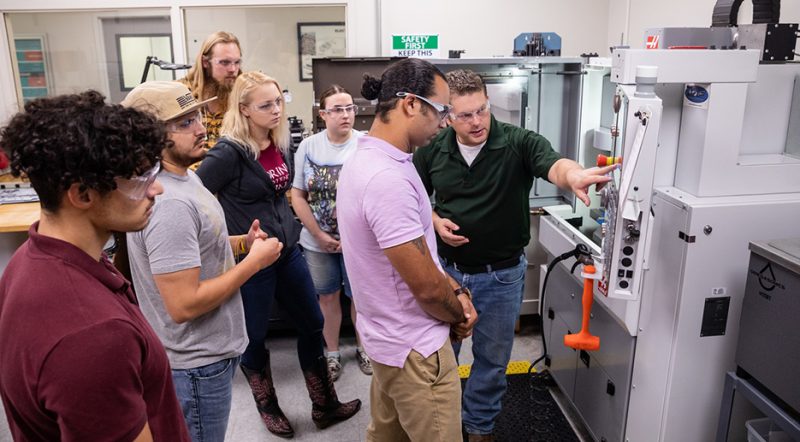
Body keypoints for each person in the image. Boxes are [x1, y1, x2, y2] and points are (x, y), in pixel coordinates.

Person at [413, 69, 616, 441]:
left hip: (501, 276)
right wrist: (435, 219)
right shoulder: (432, 150)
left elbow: (554, 164)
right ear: (447, 117)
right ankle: (443, 429)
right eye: (465, 115)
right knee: (442, 357)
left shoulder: (518, 142)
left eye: (482, 110)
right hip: (447, 273)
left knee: (491, 361)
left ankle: (479, 429)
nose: (477, 122)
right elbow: (411, 198)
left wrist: (573, 176)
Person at [0, 91, 190, 441]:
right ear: (83, 194)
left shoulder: (27, 260)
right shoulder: (93, 336)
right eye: (140, 179)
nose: (157, 189)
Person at [196, 71, 361, 438]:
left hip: (288, 251)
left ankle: (324, 404)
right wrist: (229, 241)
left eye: (278, 102)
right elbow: (196, 201)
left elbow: (284, 193)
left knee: (312, 324)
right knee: (254, 337)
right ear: (244, 110)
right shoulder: (229, 152)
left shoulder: (280, 142)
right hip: (253, 260)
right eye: (266, 105)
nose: (276, 110)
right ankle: (267, 406)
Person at [121, 81, 284, 442]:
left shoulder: (184, 178)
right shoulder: (170, 204)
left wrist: (241, 244)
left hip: (211, 353)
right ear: (150, 137)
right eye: (183, 123)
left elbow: (190, 249)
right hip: (196, 365)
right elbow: (184, 304)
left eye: (195, 115)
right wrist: (253, 263)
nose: (199, 127)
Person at [336, 58, 478, 441]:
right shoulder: (387, 179)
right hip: (417, 351)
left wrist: (458, 289)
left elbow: (417, 255)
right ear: (411, 104)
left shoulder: (367, 160)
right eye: (442, 110)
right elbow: (428, 288)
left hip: (387, 342)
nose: (446, 122)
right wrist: (458, 314)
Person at [291, 84, 372, 382]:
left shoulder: (366, 143)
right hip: (317, 241)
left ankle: (365, 348)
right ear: (323, 114)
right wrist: (319, 235)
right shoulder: (309, 147)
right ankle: (333, 354)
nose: (345, 114)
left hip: (359, 242)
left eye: (349, 108)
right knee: (327, 297)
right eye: (337, 109)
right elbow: (297, 195)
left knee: (360, 298)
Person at [179, 31, 242, 149]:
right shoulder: (181, 92)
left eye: (237, 62)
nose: (233, 69)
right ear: (205, 62)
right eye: (225, 62)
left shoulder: (244, 94)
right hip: (189, 165)